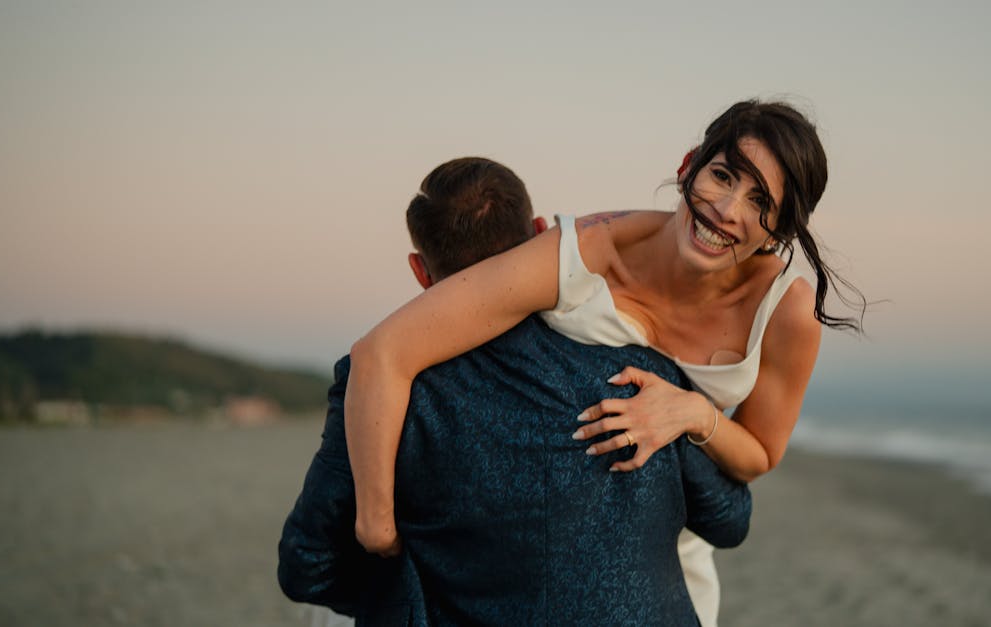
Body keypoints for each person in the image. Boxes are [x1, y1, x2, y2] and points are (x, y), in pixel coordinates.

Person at [345, 100, 864, 626]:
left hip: (669, 563)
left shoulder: (786, 312)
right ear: (689, 165)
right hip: (534, 546)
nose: (727, 210)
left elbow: (758, 454)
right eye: (723, 175)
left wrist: (692, 413)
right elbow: (382, 353)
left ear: (781, 229)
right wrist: (375, 524)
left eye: (761, 202)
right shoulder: (583, 252)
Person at [278, 157, 753, 625]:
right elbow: (728, 520)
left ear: (421, 272)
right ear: (541, 232)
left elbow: (306, 566)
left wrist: (418, 585)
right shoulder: (639, 375)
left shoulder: (376, 391)